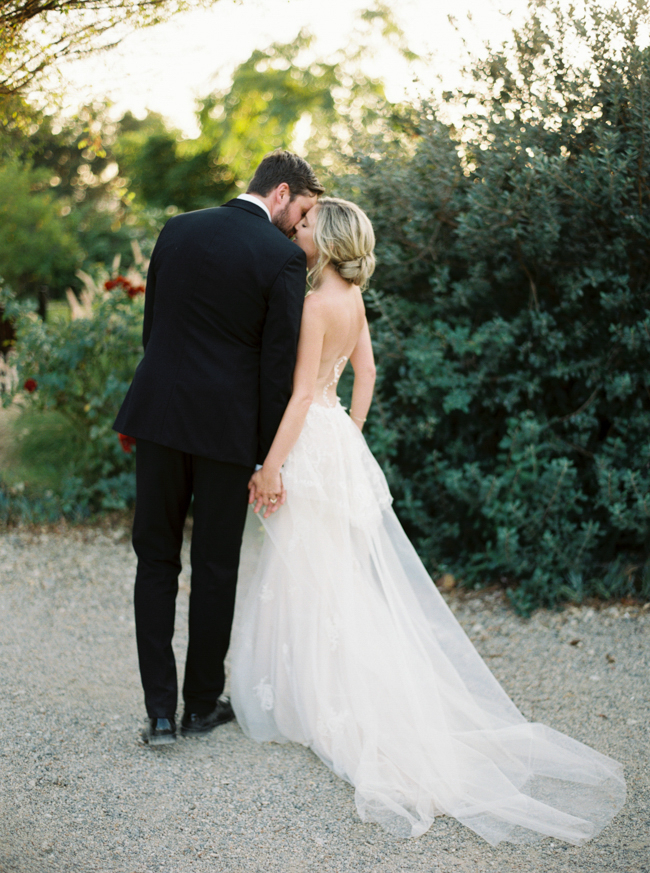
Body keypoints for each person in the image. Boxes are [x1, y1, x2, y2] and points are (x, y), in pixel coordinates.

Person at [230, 197, 626, 846]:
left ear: (328, 243)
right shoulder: (354, 300)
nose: (297, 230)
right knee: (332, 572)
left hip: (307, 441)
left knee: (309, 570)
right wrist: (349, 434)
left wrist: (271, 467)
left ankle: (320, 702)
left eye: (307, 226)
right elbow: (366, 372)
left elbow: (300, 394)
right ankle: (321, 691)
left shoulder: (315, 304)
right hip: (336, 441)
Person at [113, 150, 324, 746]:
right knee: (214, 566)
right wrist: (265, 458)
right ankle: (201, 705)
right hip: (226, 434)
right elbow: (276, 368)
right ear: (281, 193)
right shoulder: (282, 258)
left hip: (159, 415)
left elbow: (154, 329)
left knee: (155, 559)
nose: (299, 225)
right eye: (302, 211)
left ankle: (159, 713)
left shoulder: (177, 229)